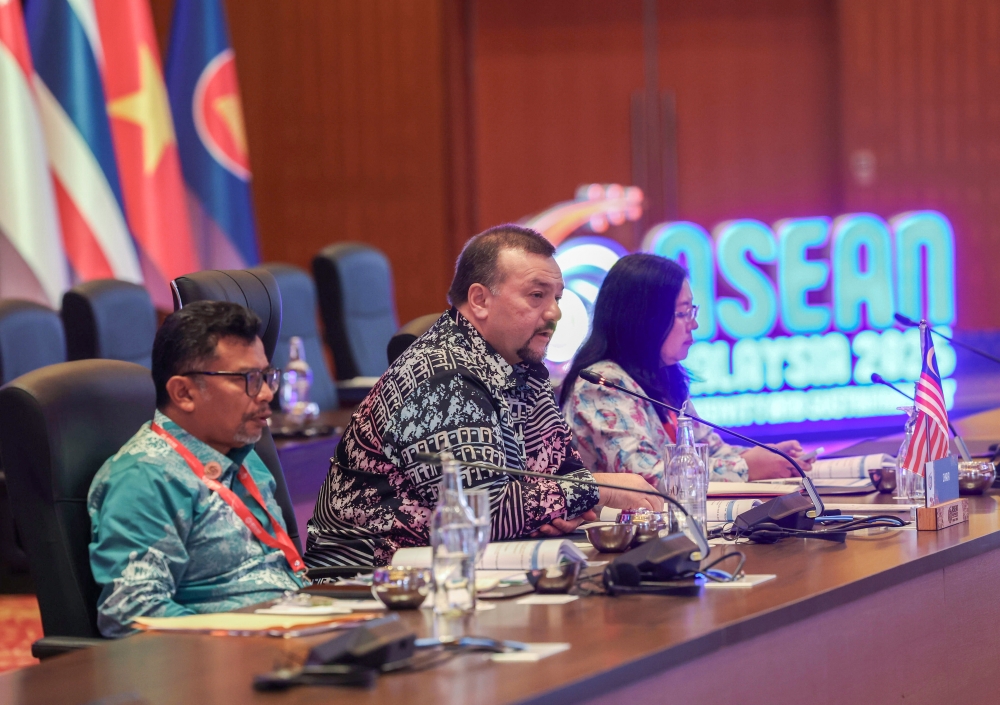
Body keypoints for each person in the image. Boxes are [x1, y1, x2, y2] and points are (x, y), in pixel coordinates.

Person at [305, 224, 661, 568]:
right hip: (370, 584)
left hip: (469, 566)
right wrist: (597, 489)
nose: (554, 313)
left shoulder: (523, 366)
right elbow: (482, 514)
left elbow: (558, 474)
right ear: (479, 300)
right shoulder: (441, 379)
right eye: (537, 296)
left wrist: (557, 503)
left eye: (556, 298)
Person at [88, 301, 307, 637]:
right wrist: (243, 639)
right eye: (248, 378)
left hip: (292, 630)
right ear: (184, 392)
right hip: (232, 662)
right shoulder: (145, 476)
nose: (265, 394)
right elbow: (132, 612)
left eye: (267, 376)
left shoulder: (244, 455)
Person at [560, 253, 813, 491]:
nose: (694, 324)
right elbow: (646, 477)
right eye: (682, 313)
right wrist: (747, 467)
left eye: (692, 311)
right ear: (644, 319)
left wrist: (768, 457)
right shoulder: (603, 385)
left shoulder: (662, 377)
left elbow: (710, 451)